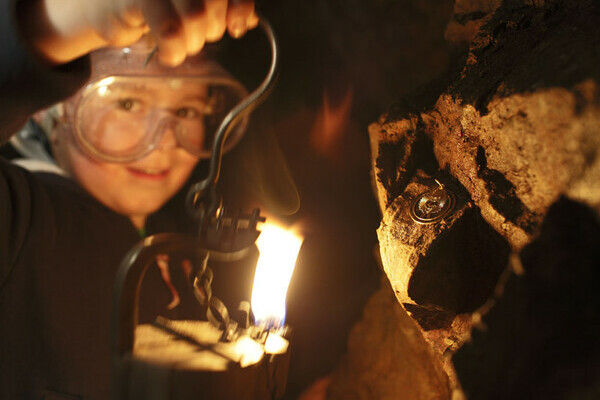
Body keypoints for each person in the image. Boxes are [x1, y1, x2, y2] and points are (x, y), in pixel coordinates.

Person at [0, 1, 256, 398]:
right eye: (127, 103)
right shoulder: (20, 220)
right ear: (45, 108)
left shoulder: (176, 249)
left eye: (186, 109)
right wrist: (62, 22)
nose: (166, 139)